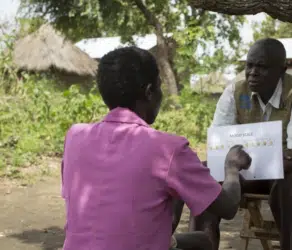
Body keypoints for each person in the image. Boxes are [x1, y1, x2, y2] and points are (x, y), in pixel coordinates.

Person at [60, 46, 252, 250]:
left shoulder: (75, 137)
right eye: (160, 87)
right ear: (149, 92)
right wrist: (231, 168)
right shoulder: (168, 149)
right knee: (204, 242)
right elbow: (229, 206)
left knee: (198, 241)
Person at [191, 38, 292, 250]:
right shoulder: (234, 93)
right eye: (249, 65)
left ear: (282, 69)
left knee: (288, 186)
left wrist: (237, 164)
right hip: (249, 169)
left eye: (262, 67)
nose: (252, 72)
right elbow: (220, 143)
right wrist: (225, 166)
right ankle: (201, 246)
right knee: (206, 180)